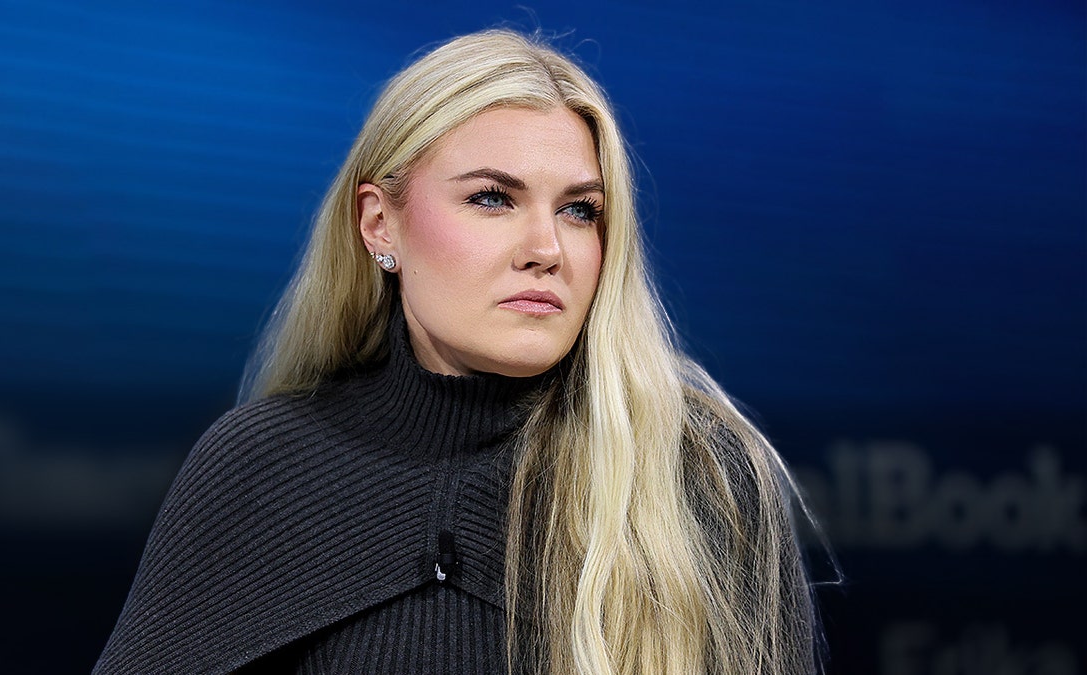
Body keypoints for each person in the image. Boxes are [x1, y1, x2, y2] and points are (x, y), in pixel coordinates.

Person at [94, 29, 819, 675]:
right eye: (493, 199)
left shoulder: (700, 479)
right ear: (380, 224)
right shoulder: (262, 466)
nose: (546, 250)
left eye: (579, 210)